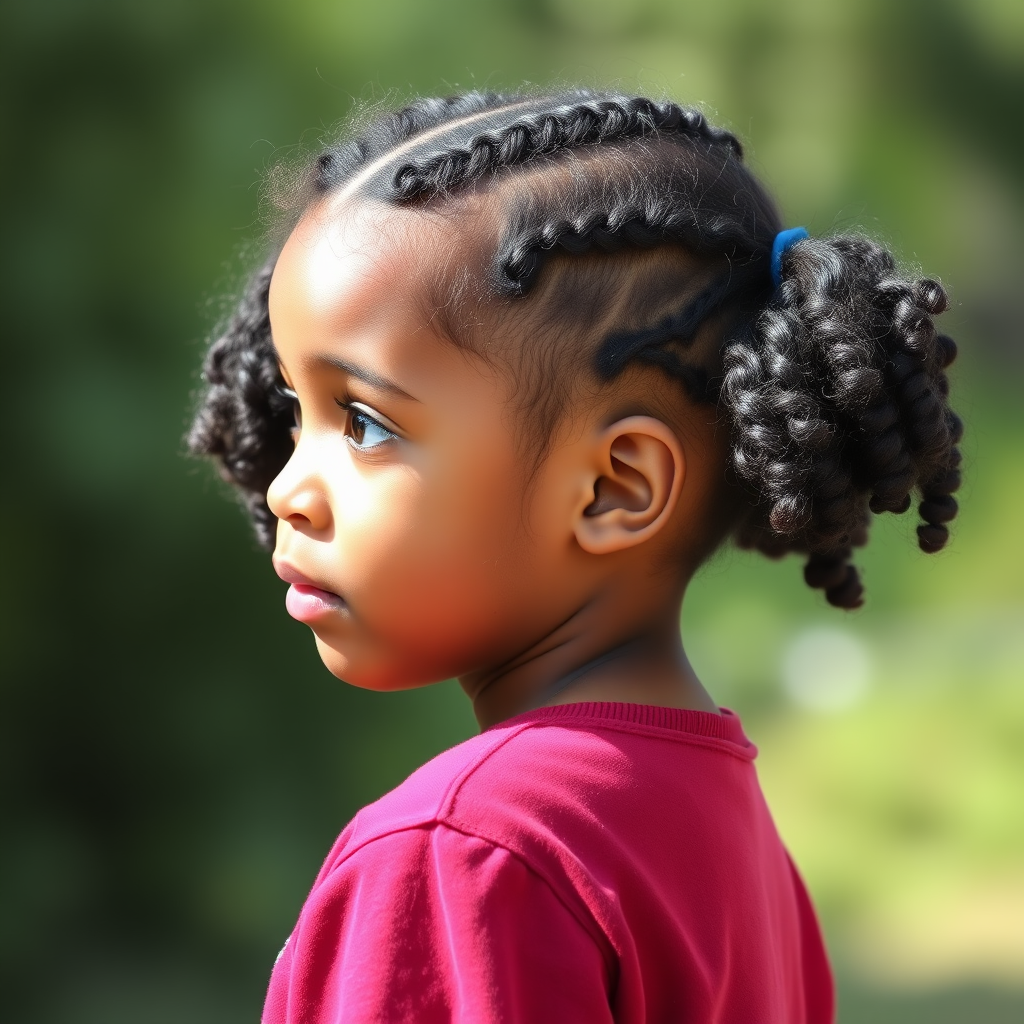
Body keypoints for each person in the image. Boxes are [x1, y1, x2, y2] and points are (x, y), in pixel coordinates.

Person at [189, 90, 962, 1024]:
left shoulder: (463, 852)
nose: (288, 487)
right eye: (298, 410)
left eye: (364, 422)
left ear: (614, 488)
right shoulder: (737, 844)